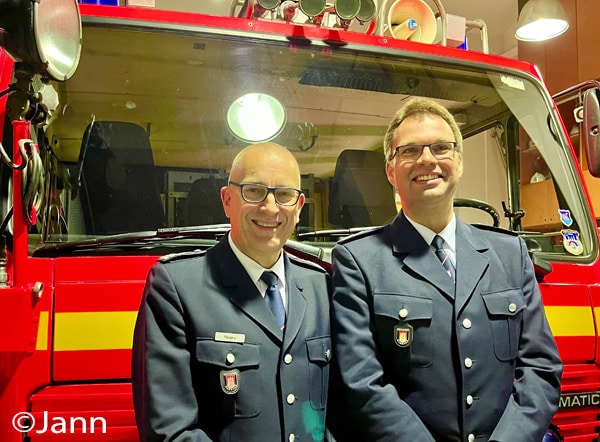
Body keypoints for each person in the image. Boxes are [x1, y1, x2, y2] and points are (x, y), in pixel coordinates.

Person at [329, 97, 563, 442]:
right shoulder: (358, 262)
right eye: (409, 150)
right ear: (390, 171)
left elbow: (540, 368)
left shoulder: (509, 253)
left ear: (458, 160)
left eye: (441, 147)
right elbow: (361, 383)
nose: (427, 160)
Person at [132, 142, 332, 442]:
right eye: (254, 191)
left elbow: (343, 414)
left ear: (299, 207)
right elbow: (170, 431)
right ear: (227, 200)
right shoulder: (177, 287)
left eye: (284, 195)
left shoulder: (322, 286)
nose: (270, 207)